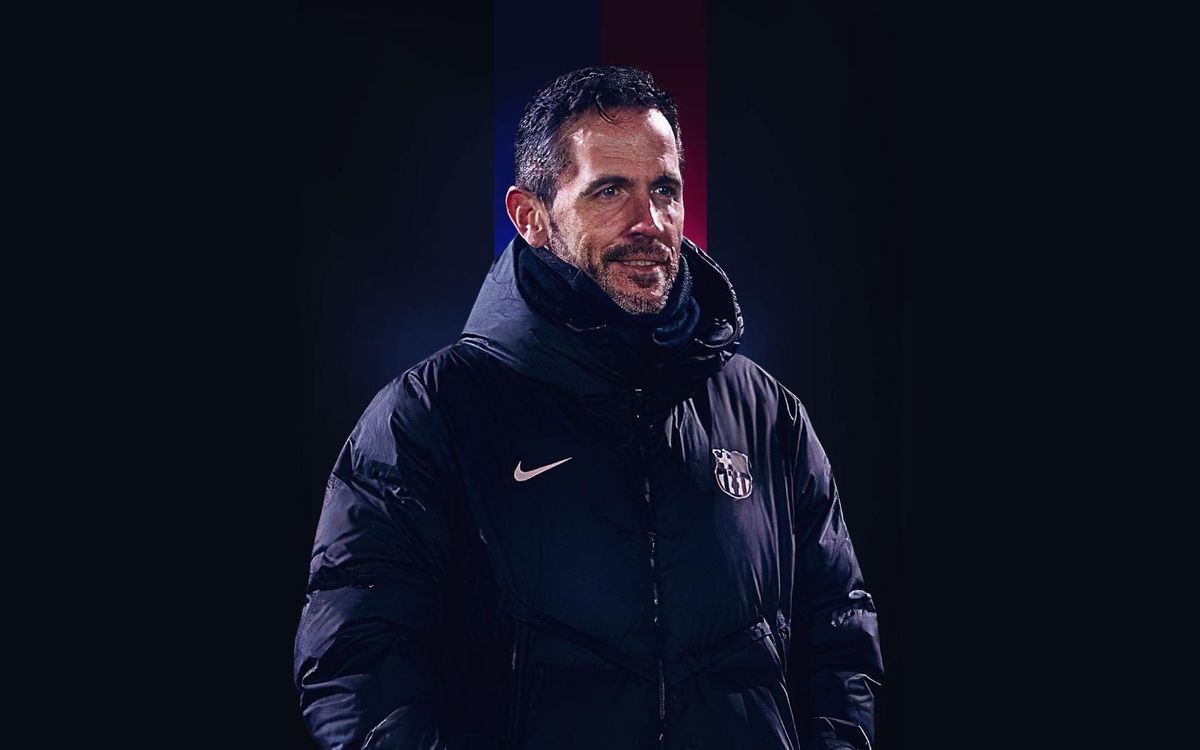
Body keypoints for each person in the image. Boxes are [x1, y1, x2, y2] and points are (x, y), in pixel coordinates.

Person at [294, 66, 884, 750]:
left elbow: (839, 637)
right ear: (531, 217)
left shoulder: (767, 415)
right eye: (610, 191)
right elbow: (357, 668)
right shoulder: (428, 417)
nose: (649, 223)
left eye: (664, 189)